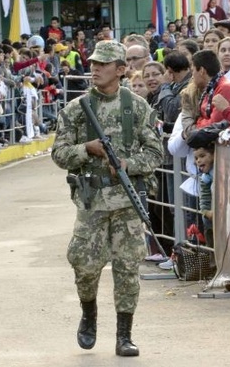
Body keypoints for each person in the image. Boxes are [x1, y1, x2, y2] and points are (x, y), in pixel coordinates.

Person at [51, 40, 163, 357]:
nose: (95, 69)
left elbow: (156, 152)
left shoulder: (137, 107)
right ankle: (89, 313)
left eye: (103, 64)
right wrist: (86, 149)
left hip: (127, 203)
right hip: (92, 203)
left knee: (127, 269)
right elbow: (59, 154)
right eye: (93, 64)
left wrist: (129, 164)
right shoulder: (76, 110)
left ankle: (124, 335)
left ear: (121, 69)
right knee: (83, 266)